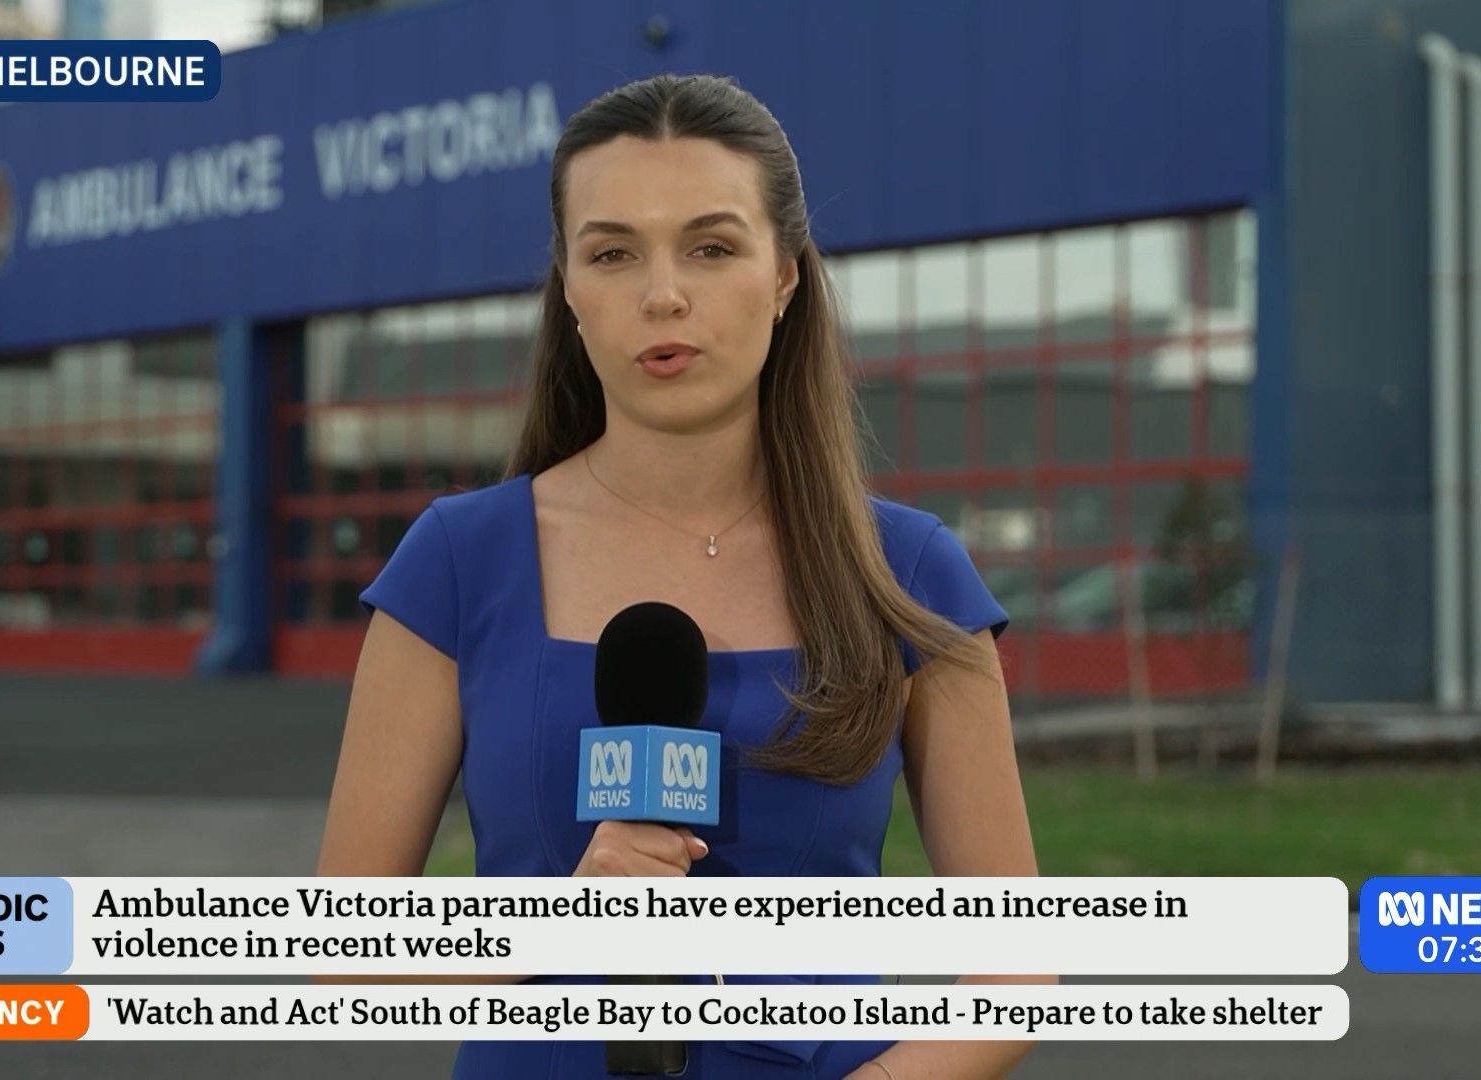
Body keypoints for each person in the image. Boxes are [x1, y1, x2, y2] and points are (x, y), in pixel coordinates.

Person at [317, 72, 1049, 1079]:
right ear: (569, 289)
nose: (663, 295)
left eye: (710, 247)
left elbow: (1017, 972)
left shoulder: (912, 573)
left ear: (785, 277)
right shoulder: (458, 560)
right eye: (613, 253)